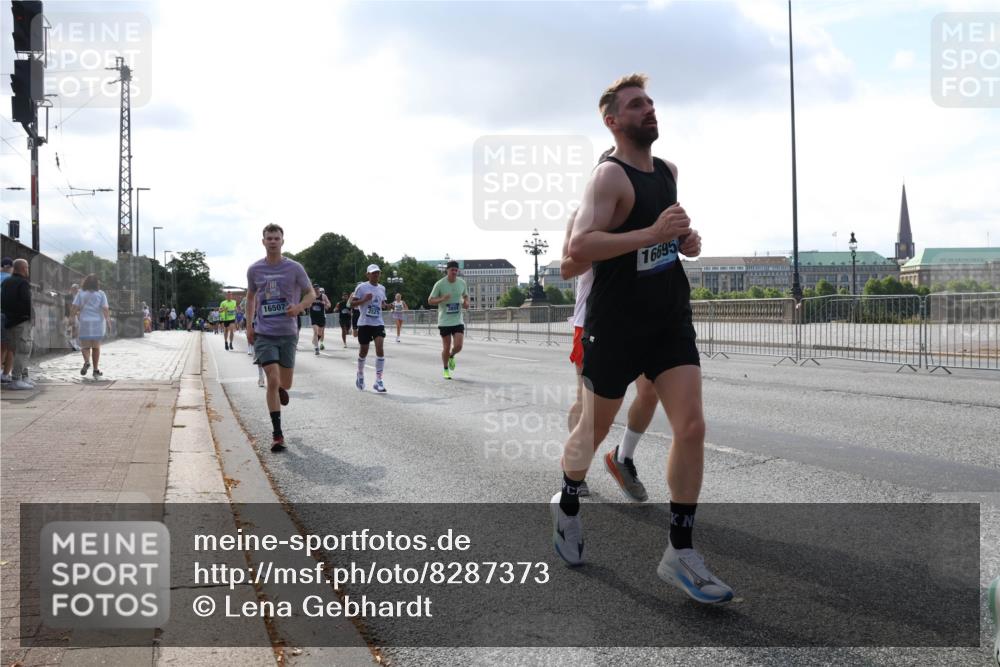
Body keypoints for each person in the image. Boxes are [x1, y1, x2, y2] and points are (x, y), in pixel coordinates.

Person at [548, 73, 730, 603]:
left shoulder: (669, 172)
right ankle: (567, 501)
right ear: (612, 120)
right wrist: (650, 236)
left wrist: (684, 240)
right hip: (616, 323)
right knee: (590, 431)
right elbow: (578, 248)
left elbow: (666, 240)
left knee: (692, 425)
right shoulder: (608, 178)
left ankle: (681, 550)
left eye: (650, 102)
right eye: (635, 105)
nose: (647, 110)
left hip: (669, 317)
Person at [561, 200, 657, 502]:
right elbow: (567, 267)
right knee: (586, 404)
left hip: (641, 321)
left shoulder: (646, 209)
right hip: (593, 322)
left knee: (650, 390)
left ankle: (622, 457)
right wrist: (617, 243)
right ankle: (576, 469)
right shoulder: (582, 215)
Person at [246, 223, 315, 452]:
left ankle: (281, 390)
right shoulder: (254, 270)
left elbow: (311, 293)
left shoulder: (294, 268)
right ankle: (277, 434)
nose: (273, 241)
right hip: (265, 332)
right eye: (269, 238)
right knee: (272, 380)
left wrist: (299, 307)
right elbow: (250, 297)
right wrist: (249, 325)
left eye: (277, 238)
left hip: (287, 333)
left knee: (285, 383)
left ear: (282, 241)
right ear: (263, 241)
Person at [428, 260, 469, 380]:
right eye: (452, 270)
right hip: (445, 321)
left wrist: (466, 302)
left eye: (456, 270)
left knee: (459, 346)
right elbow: (430, 300)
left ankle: (452, 355)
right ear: (447, 270)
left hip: (457, 320)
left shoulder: (462, 283)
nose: (454, 272)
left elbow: (465, 296)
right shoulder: (440, 284)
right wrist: (442, 298)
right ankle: (446, 369)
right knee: (446, 347)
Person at [351, 265, 389, 393]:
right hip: (364, 323)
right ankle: (360, 373)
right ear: (367, 274)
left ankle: (378, 380)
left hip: (378, 322)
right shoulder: (361, 287)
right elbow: (352, 303)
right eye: (373, 273)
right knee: (364, 351)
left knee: (380, 347)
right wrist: (364, 300)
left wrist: (388, 305)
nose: (376, 275)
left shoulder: (382, 288)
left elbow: (382, 304)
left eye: (378, 273)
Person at [1, 258, 34, 390]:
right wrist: (30, 317)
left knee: (15, 350)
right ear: (23, 268)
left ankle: (24, 377)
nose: (28, 270)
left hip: (9, 321)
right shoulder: (23, 283)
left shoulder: (6, 282)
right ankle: (17, 379)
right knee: (24, 350)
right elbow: (27, 302)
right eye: (26, 268)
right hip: (21, 321)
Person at [72, 273, 112, 379]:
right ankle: (95, 370)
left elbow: (74, 307)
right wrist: (108, 321)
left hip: (85, 322)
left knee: (85, 346)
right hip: (97, 323)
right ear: (96, 283)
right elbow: (105, 309)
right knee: (96, 347)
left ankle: (86, 361)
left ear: (85, 282)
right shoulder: (101, 294)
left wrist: (71, 318)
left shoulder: (80, 293)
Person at [0, 257, 14, 383]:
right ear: (11, 267)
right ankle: (5, 374)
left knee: (2, 346)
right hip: (6, 315)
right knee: (10, 346)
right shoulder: (11, 279)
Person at [309, 285, 332, 355]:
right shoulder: (310, 296)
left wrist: (325, 304)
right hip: (314, 317)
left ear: (319, 289)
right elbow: (306, 304)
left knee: (320, 333)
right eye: (314, 289)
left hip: (321, 317)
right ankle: (316, 348)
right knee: (315, 332)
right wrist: (309, 304)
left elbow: (329, 304)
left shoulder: (323, 296)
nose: (316, 290)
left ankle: (315, 341)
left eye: (317, 289)